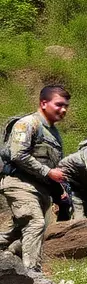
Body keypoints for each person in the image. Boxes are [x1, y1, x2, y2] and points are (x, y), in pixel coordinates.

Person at [0, 85, 70, 273]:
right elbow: (18, 154)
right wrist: (48, 172)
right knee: (35, 223)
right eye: (59, 105)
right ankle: (32, 274)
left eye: (66, 106)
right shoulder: (28, 123)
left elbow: (55, 166)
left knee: (14, 235)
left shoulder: (54, 134)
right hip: (19, 185)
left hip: (41, 191)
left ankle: (6, 259)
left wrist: (60, 190)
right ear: (43, 103)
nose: (63, 110)